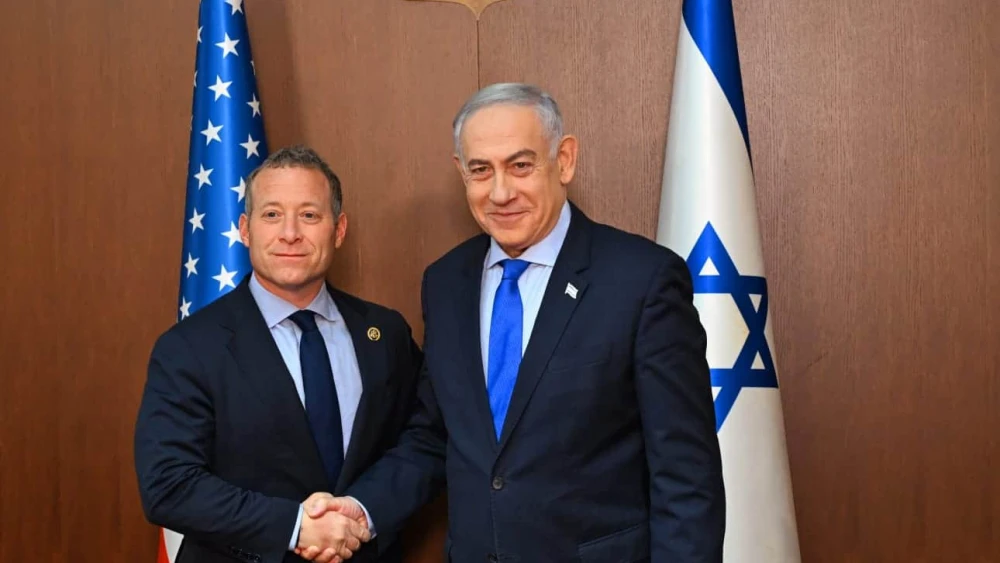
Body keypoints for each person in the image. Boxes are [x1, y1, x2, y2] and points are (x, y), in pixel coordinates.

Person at [301, 83, 725, 562]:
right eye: (481, 170)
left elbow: (686, 476)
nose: (500, 192)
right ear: (462, 173)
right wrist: (363, 508)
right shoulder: (446, 283)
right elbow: (438, 436)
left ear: (564, 160)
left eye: (520, 165)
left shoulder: (641, 280)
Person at [134, 145, 421, 563]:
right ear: (245, 230)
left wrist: (362, 510)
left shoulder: (384, 333)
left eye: (309, 215)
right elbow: (168, 484)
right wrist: (295, 526)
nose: (290, 233)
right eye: (272, 215)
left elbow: (424, 439)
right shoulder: (188, 348)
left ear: (338, 230)